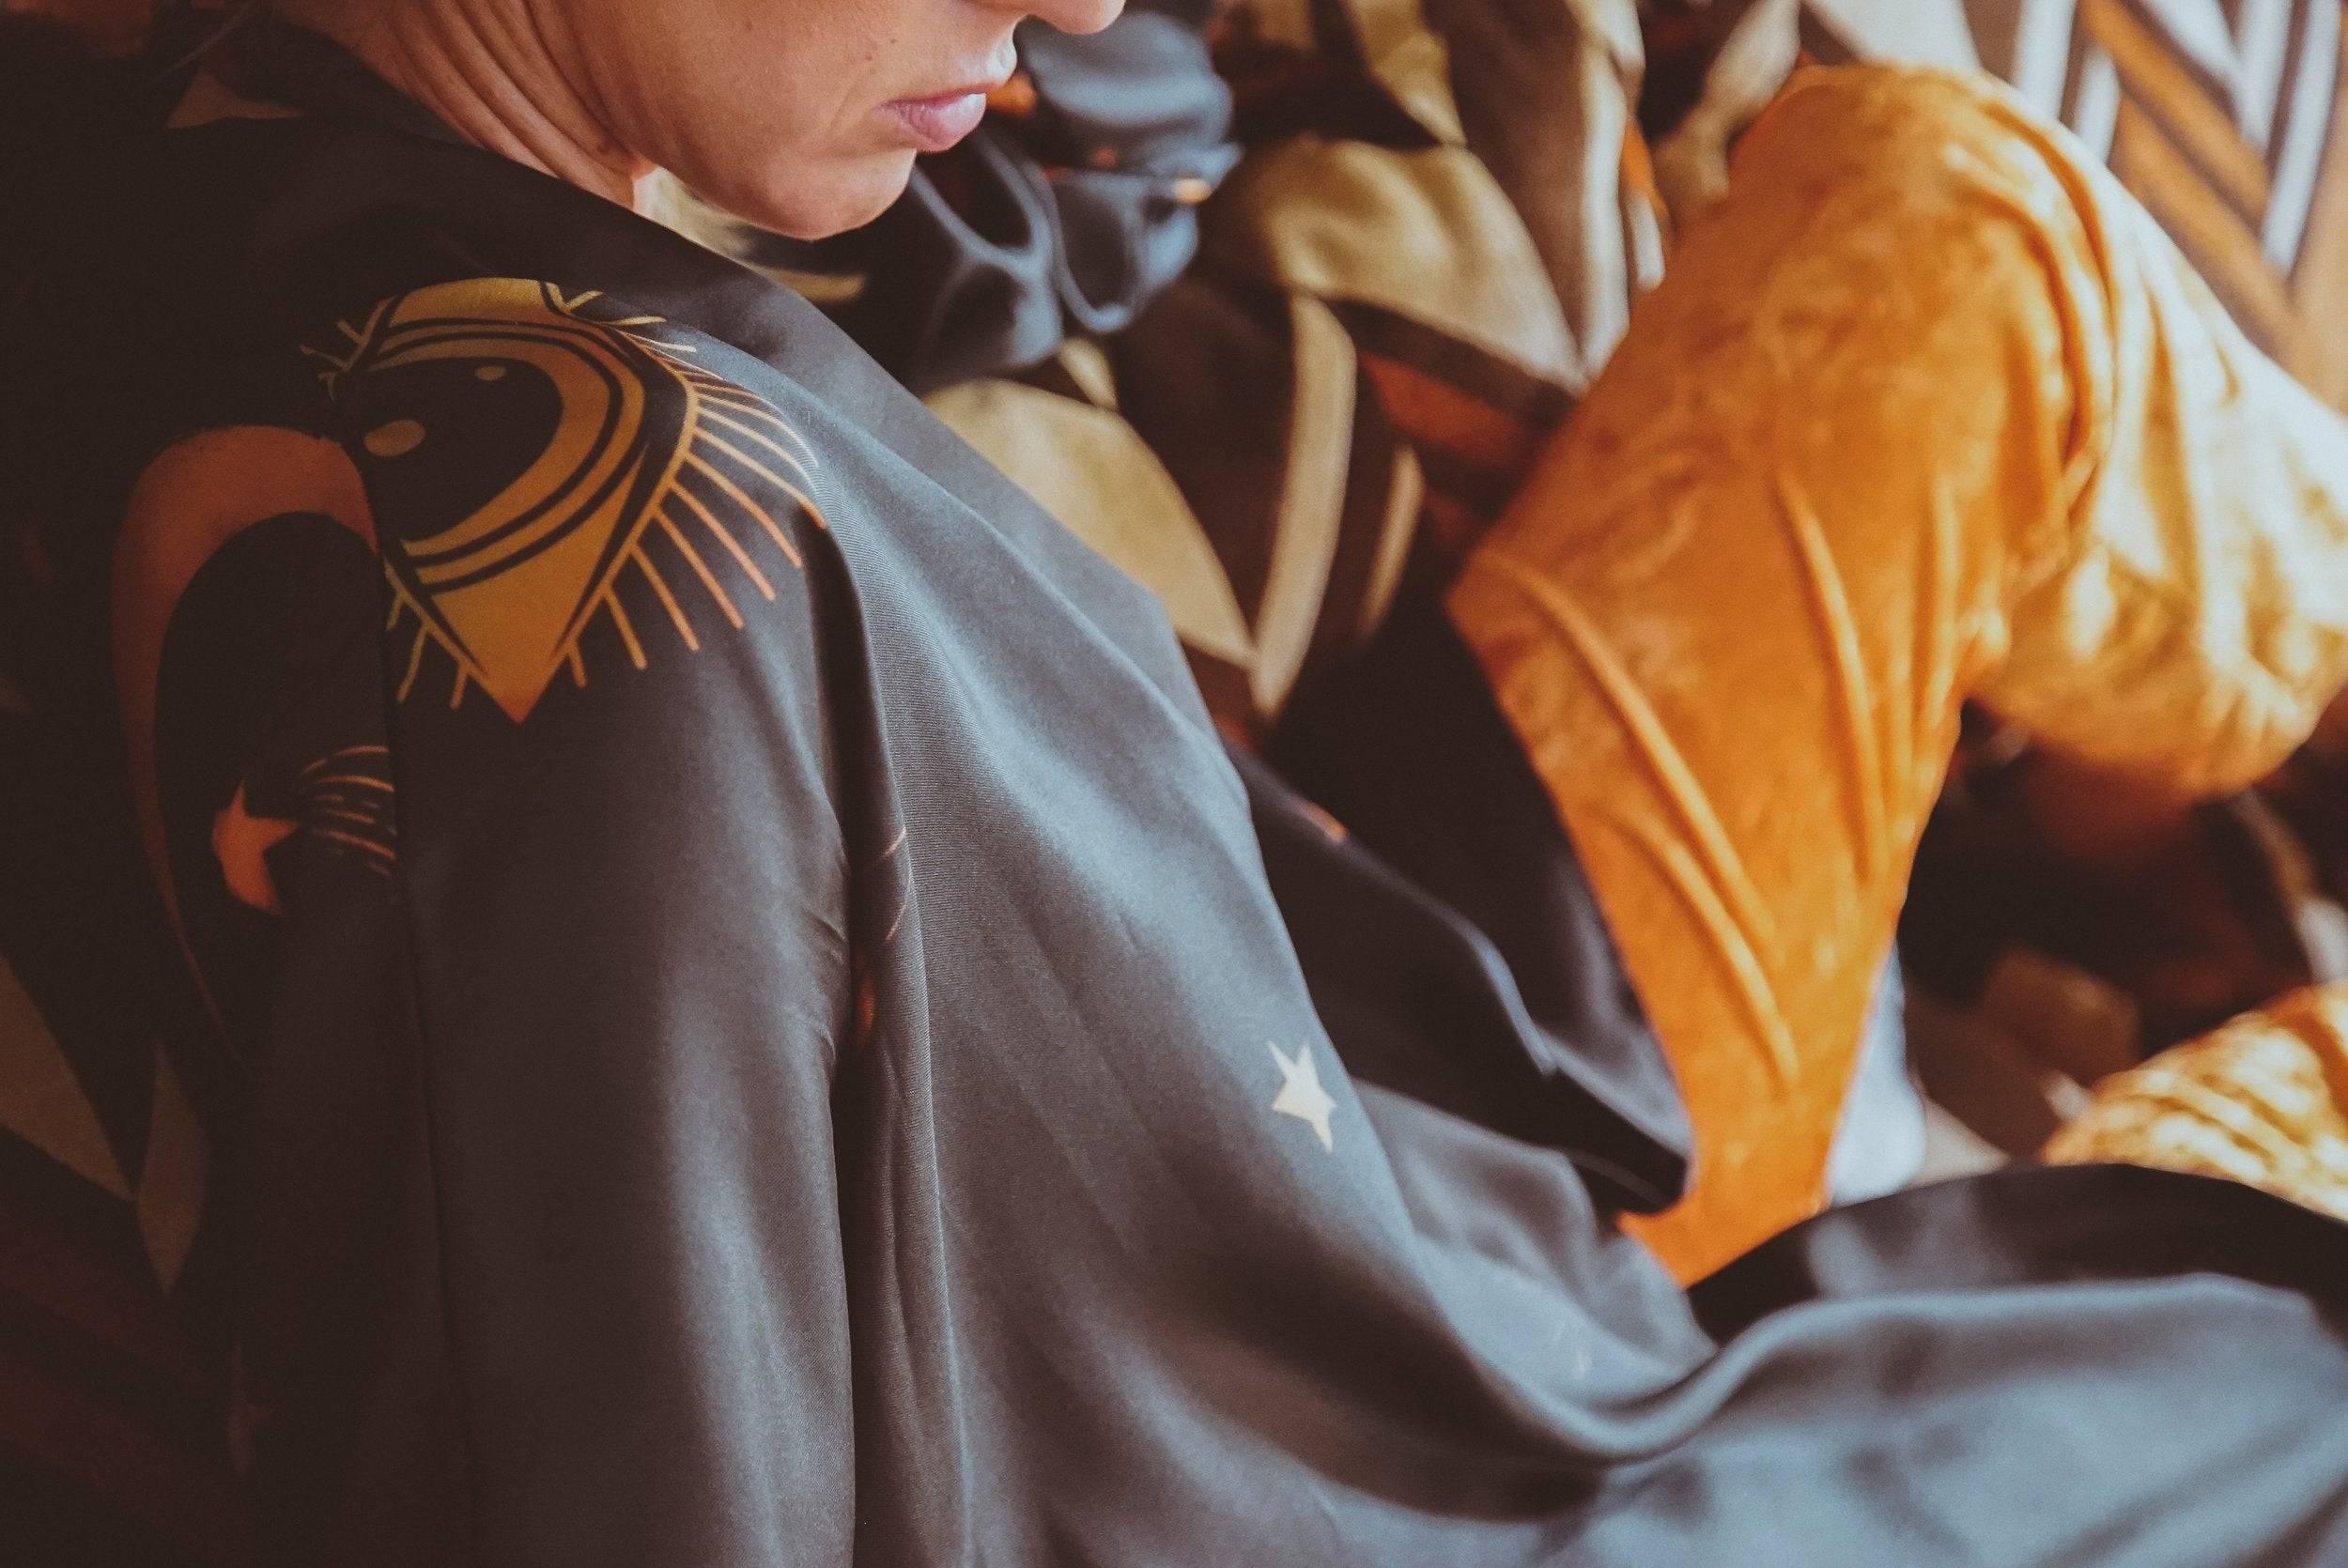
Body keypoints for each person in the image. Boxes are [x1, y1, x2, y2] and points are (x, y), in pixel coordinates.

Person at [8, 3, 2348, 1564]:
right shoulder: (604, 612)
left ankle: (2172, 847)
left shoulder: (274, 146)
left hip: (1403, 1143)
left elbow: (1110, 158)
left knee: (1940, 235)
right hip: (1471, 1401)